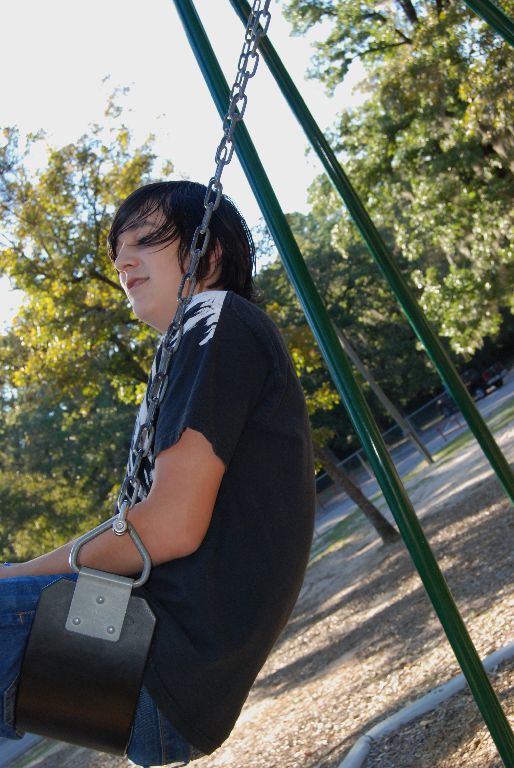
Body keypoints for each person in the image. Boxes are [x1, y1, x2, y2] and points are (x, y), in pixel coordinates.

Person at [0, 180, 315, 766]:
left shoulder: (214, 318)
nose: (123, 262)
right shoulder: (191, 345)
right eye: (118, 251)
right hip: (164, 670)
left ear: (208, 254)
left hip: (157, 660)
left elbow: (169, 526)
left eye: (145, 240)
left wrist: (17, 575)